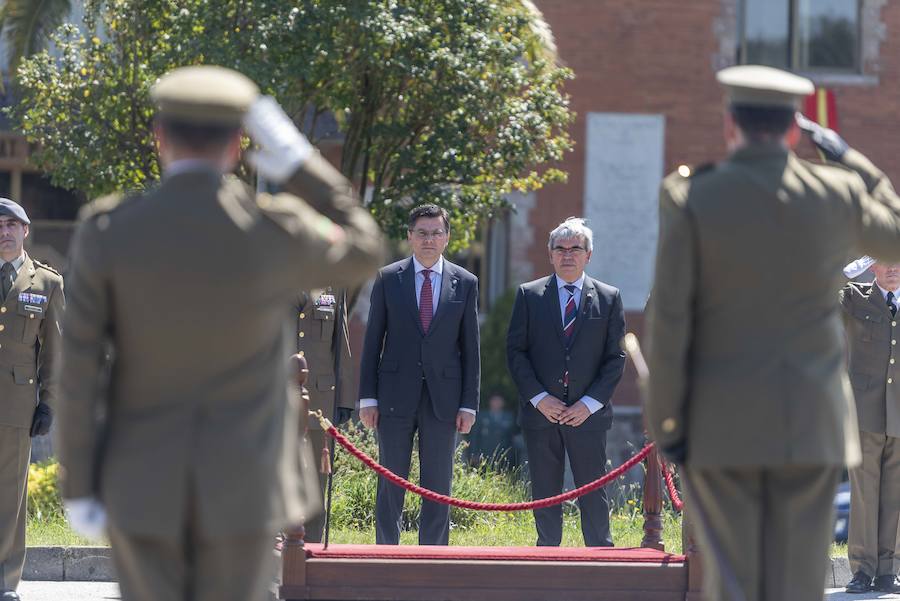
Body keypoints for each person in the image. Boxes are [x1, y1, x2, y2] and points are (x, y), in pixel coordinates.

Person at [55, 65, 384, 601]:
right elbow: (365, 247)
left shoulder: (110, 229)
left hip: (141, 480)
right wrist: (301, 165)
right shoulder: (272, 227)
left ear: (159, 136)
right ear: (237, 145)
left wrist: (80, 484)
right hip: (245, 485)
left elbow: (78, 371)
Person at [645, 64, 900, 601]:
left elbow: (669, 319)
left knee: (733, 579)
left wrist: (668, 423)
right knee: (797, 582)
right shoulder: (836, 191)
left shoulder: (691, 195)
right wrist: (846, 156)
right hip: (812, 423)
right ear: (792, 133)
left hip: (722, 420)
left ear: (729, 126)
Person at [358, 203, 480, 545]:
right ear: (410, 236)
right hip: (393, 396)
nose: (429, 240)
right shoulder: (388, 278)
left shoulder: (465, 282)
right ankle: (386, 555)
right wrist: (368, 398)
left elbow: (471, 349)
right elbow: (373, 341)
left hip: (445, 399)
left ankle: (434, 557)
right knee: (390, 482)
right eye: (422, 233)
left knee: (438, 485)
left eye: (436, 233)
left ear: (447, 237)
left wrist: (469, 404)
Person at [506, 217, 625, 547]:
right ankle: (547, 558)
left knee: (593, 491)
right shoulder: (529, 295)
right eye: (560, 248)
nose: (568, 254)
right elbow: (516, 353)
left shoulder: (608, 297)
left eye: (576, 248)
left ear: (589, 255)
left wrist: (588, 404)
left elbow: (616, 357)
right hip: (542, 414)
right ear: (550, 254)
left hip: (588, 415)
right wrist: (539, 398)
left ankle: (600, 557)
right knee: (545, 493)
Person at [0, 199, 64, 601]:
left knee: (9, 493)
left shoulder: (46, 283)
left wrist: (49, 402)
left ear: (25, 231)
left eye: (11, 224)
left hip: (16, 403)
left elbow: (55, 351)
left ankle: (5, 581)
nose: (4, 232)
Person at [841, 259, 900, 593]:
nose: (893, 268)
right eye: (885, 261)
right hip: (864, 412)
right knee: (865, 493)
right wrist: (857, 262)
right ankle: (863, 570)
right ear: (873, 266)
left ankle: (889, 570)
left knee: (895, 495)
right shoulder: (853, 297)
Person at [295, 286, 355, 542]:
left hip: (319, 400)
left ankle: (311, 546)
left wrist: (344, 399)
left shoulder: (333, 285)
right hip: (275, 397)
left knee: (316, 482)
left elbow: (340, 343)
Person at [465, 393, 516, 467]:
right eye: (494, 400)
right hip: (484, 452)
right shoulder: (481, 416)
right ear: (490, 402)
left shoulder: (509, 416)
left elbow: (512, 437)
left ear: (503, 402)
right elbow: (474, 436)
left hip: (503, 453)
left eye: (499, 401)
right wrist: (473, 453)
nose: (496, 403)